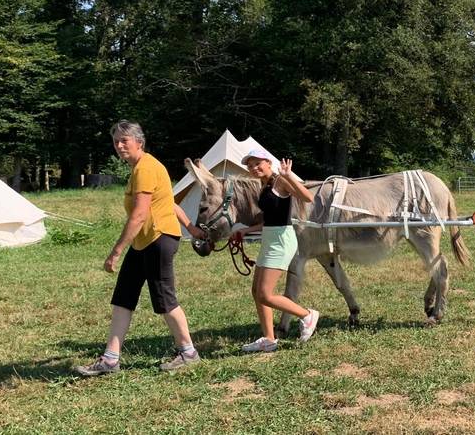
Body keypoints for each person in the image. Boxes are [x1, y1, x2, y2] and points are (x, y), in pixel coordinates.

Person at [75, 121, 207, 376]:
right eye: (116, 142)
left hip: (157, 239)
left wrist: (116, 251)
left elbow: (139, 215)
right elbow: (170, 203)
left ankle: (188, 352)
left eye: (125, 140)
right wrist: (193, 229)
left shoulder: (145, 168)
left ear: (139, 142)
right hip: (144, 241)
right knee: (124, 297)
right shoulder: (143, 167)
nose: (120, 145)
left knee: (165, 299)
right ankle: (110, 359)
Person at [230, 149, 320, 353]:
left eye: (257, 163)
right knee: (257, 292)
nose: (253, 168)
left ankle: (307, 315)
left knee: (265, 294)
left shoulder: (280, 181)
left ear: (268, 162)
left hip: (281, 240)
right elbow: (269, 219)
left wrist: (289, 175)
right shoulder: (264, 185)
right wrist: (247, 230)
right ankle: (269, 339)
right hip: (270, 238)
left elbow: (307, 198)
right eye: (250, 165)